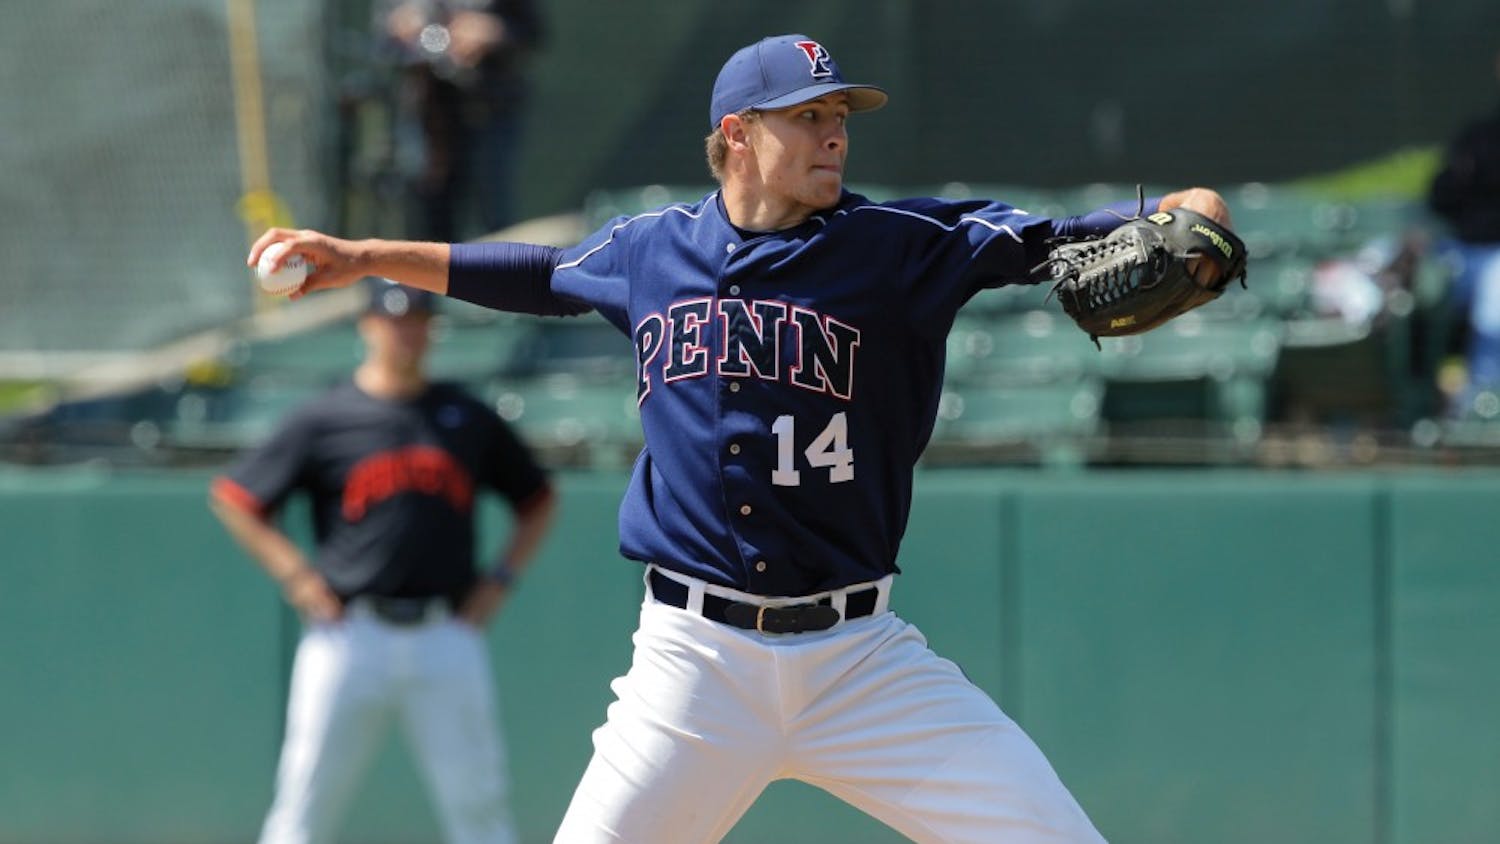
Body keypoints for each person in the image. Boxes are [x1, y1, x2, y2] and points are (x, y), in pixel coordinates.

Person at [248, 33, 1233, 843]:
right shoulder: (650, 252)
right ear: (738, 134)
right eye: (809, 116)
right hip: (694, 665)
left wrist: (1191, 211)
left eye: (840, 116)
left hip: (862, 661)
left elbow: (1065, 236)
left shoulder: (900, 248)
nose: (834, 136)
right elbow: (539, 273)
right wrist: (362, 256)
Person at [209, 279, 558, 844]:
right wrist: (296, 574)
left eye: (417, 319)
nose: (406, 331)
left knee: (479, 810)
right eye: (393, 319)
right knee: (303, 807)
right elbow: (236, 499)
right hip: (348, 634)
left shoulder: (464, 416)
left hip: (446, 633)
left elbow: (538, 501)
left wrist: (500, 579)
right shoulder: (326, 417)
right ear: (367, 325)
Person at [377, 0, 545, 241]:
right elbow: (386, 35)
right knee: (430, 221)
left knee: (494, 215)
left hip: (489, 108)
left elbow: (532, 31)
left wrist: (493, 30)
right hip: (429, 116)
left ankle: (500, 277)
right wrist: (401, 24)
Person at [1429, 48, 1500, 416]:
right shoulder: (1480, 135)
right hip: (1464, 252)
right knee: (1406, 282)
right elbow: (1440, 198)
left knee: (1496, 299)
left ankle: (1482, 411)